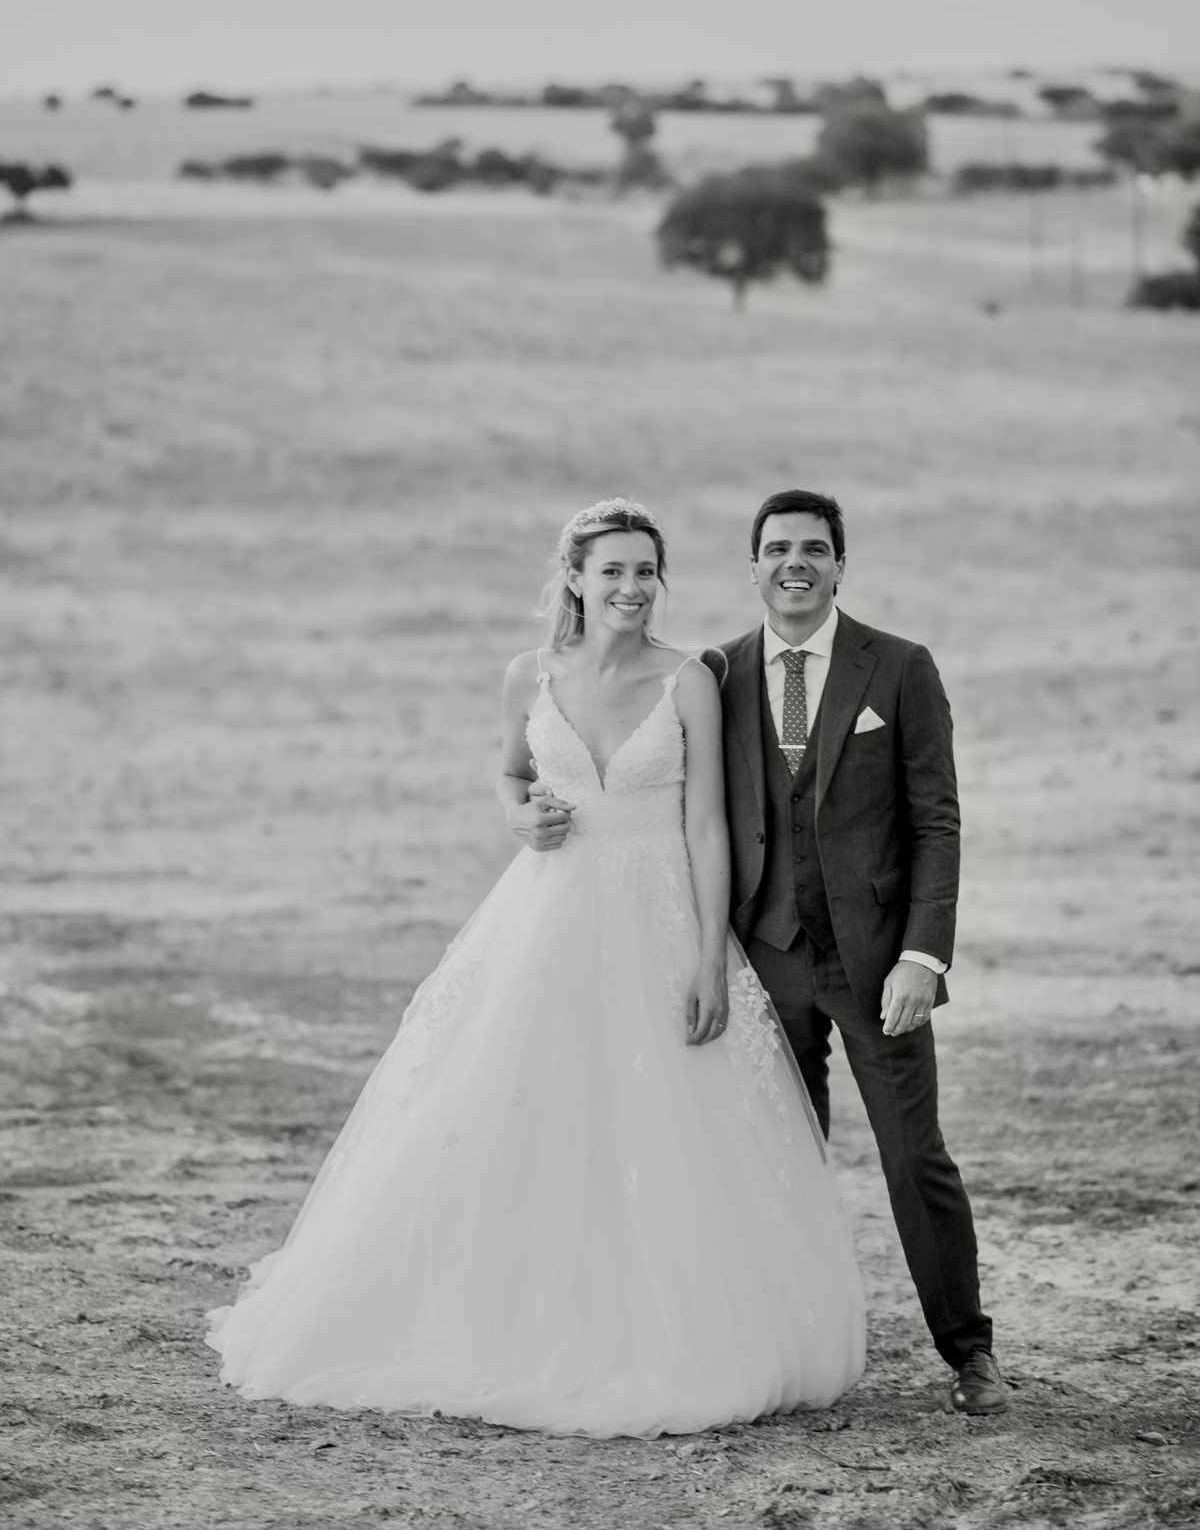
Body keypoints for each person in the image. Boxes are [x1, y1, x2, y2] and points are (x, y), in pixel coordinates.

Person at [207, 498, 865, 1438]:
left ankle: (665, 1325)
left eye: (646, 572)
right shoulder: (529, 675)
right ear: (575, 578)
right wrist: (520, 816)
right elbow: (513, 776)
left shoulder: (691, 679)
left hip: (660, 915)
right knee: (516, 1106)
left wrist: (711, 955)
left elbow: (708, 823)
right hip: (545, 914)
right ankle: (508, 1313)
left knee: (664, 1121)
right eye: (613, 572)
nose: (632, 589)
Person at [703, 489, 1006, 1416]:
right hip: (765, 957)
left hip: (878, 964)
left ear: (842, 564)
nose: (796, 563)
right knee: (775, 1157)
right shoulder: (717, 673)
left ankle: (969, 1352)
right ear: (752, 565)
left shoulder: (901, 668)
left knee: (914, 1155)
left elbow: (937, 820)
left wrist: (926, 954)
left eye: (815, 549)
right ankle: (785, 1347)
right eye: (778, 548)